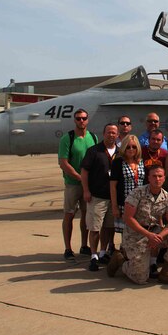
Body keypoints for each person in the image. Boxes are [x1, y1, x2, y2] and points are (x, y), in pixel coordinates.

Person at [106, 165, 168, 285]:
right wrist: (148, 235)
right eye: (154, 176)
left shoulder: (167, 197)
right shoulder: (137, 193)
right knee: (140, 278)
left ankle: (165, 272)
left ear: (164, 178)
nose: (157, 179)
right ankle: (121, 260)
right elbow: (128, 218)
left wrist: (159, 236)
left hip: (155, 232)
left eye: (160, 176)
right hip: (135, 234)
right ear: (148, 178)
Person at [58, 108, 96, 260]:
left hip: (89, 184)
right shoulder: (67, 138)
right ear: (75, 120)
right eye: (78, 118)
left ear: (87, 120)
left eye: (84, 118)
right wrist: (81, 178)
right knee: (69, 214)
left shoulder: (93, 137)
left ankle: (84, 245)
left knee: (87, 216)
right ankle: (68, 248)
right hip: (73, 184)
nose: (81, 121)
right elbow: (63, 163)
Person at [81, 123, 119, 271]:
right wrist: (86, 191)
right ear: (103, 134)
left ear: (117, 135)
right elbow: (84, 172)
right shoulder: (94, 151)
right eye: (109, 132)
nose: (111, 135)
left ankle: (103, 252)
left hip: (112, 197)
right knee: (95, 228)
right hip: (97, 196)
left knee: (108, 227)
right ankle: (93, 256)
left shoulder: (120, 152)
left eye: (114, 133)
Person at [109, 135, 144, 240]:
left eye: (134, 147)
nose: (131, 149)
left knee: (139, 232)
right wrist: (114, 206)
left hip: (140, 204)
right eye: (128, 147)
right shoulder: (118, 162)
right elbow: (113, 186)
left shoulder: (141, 162)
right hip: (124, 204)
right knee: (126, 234)